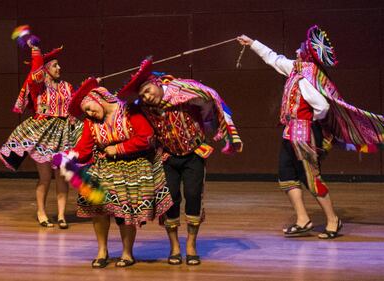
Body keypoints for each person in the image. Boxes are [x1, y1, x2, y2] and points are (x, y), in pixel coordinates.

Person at [237, 25, 384, 239]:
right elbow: (274, 58)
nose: (297, 49)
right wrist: (252, 43)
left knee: (311, 177)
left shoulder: (307, 77)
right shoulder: (297, 69)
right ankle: (303, 219)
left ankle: (333, 220)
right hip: (291, 133)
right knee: (286, 175)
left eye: (301, 48)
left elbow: (322, 107)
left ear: (306, 54)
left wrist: (310, 122)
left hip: (303, 134)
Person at [116, 59, 243, 265]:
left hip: (194, 153)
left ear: (157, 83)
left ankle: (191, 245)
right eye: (143, 95)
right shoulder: (144, 108)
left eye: (148, 91)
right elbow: (122, 113)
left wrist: (212, 123)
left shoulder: (183, 92)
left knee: (193, 196)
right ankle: (174, 247)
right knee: (171, 201)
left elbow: (209, 97)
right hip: (167, 157)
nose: (147, 97)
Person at [56, 77, 173, 268]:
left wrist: (118, 148)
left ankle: (127, 253)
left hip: (132, 166)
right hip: (104, 166)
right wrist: (66, 157)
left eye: (90, 107)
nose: (90, 113)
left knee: (125, 210)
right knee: (98, 206)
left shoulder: (129, 111)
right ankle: (102, 250)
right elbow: (84, 149)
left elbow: (146, 137)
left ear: (99, 98)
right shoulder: (90, 122)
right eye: (86, 111)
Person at [0, 39, 82, 229]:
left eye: (59, 64)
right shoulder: (39, 85)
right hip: (43, 133)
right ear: (45, 69)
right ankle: (41, 213)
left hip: (63, 135)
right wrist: (36, 52)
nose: (59, 68)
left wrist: (88, 89)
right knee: (45, 177)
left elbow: (76, 104)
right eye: (55, 65)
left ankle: (61, 215)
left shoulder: (67, 86)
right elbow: (34, 74)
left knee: (61, 176)